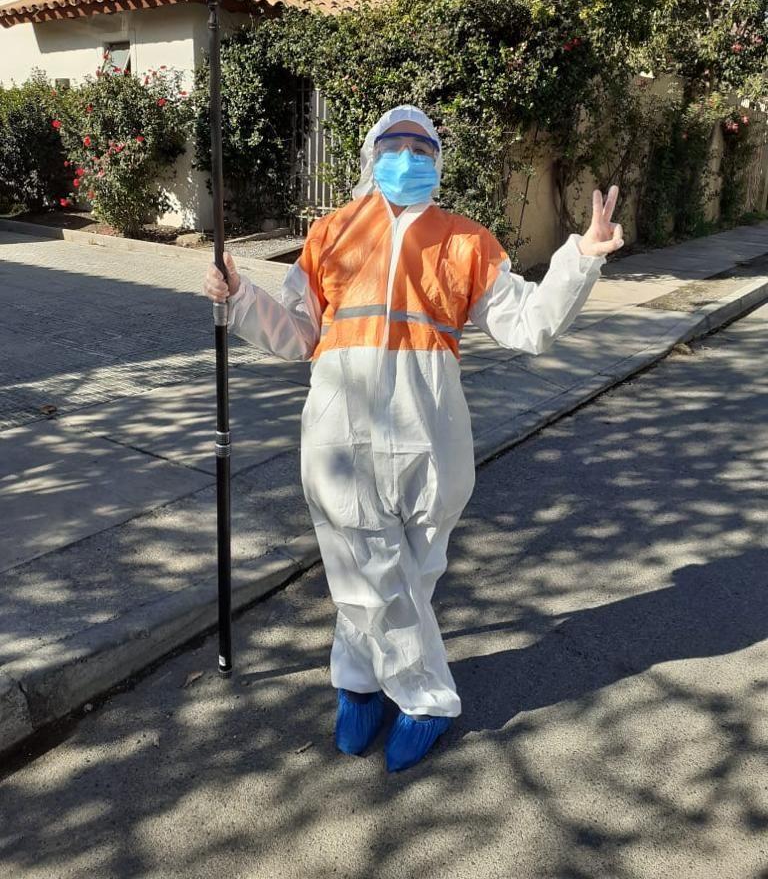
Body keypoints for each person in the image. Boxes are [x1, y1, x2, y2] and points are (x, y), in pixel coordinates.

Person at [204, 104, 623, 772]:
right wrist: (239, 298)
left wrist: (581, 261)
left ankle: (358, 681)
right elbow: (297, 334)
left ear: (436, 162)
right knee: (370, 577)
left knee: (411, 577)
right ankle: (425, 699)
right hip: (342, 435)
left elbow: (529, 325)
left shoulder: (467, 240)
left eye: (420, 147)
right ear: (371, 158)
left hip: (433, 434)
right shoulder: (330, 234)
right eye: (394, 145)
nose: (407, 157)